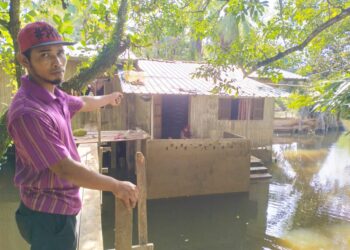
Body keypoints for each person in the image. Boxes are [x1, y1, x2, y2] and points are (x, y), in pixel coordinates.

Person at [7, 21, 139, 250]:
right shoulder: (29, 112)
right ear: (24, 60)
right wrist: (116, 185)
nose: (57, 62)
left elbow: (83, 102)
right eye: (45, 55)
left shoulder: (54, 95)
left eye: (60, 53)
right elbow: (65, 168)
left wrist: (109, 99)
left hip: (61, 208)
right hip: (48, 216)